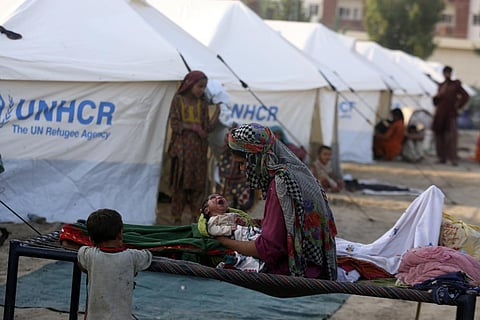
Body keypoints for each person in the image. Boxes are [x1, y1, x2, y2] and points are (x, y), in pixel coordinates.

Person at [216, 123, 338, 279]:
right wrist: (254, 224)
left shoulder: (281, 184)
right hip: (319, 264)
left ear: (255, 158)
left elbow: (270, 249)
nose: (242, 169)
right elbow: (287, 224)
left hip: (298, 270)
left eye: (242, 163)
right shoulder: (298, 172)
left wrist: (223, 241)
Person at [77, 209, 152, 320]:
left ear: (91, 239)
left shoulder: (88, 255)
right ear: (120, 234)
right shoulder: (132, 256)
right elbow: (148, 256)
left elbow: (80, 258)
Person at [167, 70, 220, 224]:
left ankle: (195, 216)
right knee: (180, 184)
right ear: (190, 85)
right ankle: (176, 218)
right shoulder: (178, 100)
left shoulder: (202, 103)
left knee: (198, 184)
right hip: (182, 149)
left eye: (204, 87)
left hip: (198, 150)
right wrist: (193, 127)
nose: (201, 90)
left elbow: (206, 128)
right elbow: (175, 123)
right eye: (199, 86)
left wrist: (217, 112)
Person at [431, 65, 470, 166]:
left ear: (451, 73)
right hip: (440, 114)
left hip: (450, 114)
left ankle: (453, 159)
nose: (447, 74)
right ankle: (441, 157)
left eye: (448, 73)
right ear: (443, 74)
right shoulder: (441, 85)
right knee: (439, 136)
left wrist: (458, 106)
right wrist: (438, 96)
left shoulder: (455, 84)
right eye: (445, 73)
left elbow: (465, 96)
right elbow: (436, 102)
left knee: (451, 137)